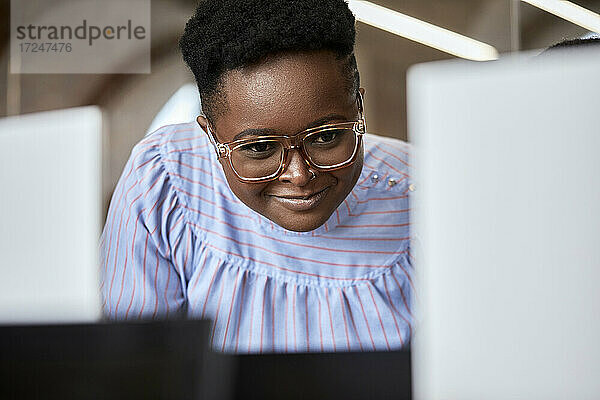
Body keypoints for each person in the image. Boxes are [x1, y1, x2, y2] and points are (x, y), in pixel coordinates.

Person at [100, 0, 413, 353]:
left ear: (359, 107)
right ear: (212, 135)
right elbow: (134, 367)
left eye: (326, 137)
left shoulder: (422, 196)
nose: (299, 175)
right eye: (260, 147)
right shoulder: (165, 178)